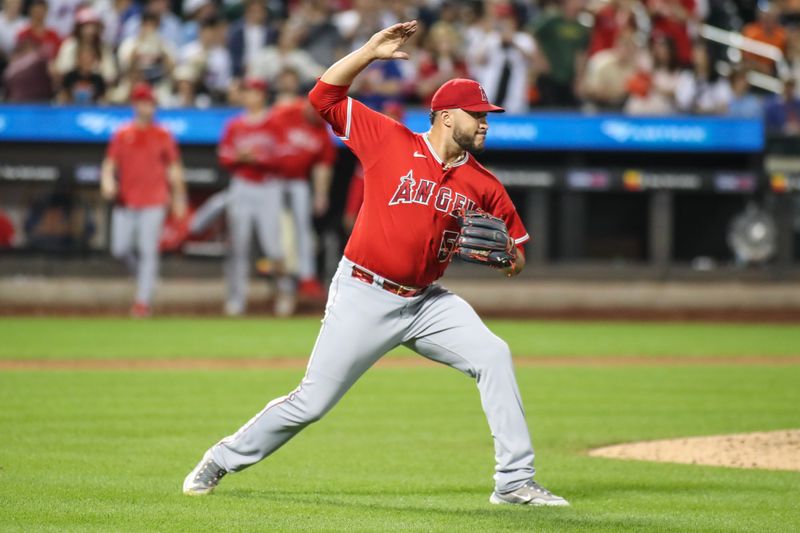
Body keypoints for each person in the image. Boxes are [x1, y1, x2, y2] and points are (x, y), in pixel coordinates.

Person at [184, 21, 569, 507]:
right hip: (364, 293)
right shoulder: (389, 140)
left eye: (487, 115)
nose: (486, 123)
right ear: (446, 117)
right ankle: (221, 459)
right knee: (311, 403)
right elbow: (322, 97)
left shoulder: (485, 184)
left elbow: (517, 254)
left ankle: (514, 482)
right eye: (478, 115)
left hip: (427, 303)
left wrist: (508, 259)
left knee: (494, 356)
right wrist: (368, 52)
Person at [100, 82, 187, 317]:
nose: (146, 107)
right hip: (126, 200)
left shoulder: (163, 134)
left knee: (148, 251)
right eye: (142, 102)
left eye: (149, 103)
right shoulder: (122, 133)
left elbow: (174, 167)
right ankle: (145, 281)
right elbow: (110, 164)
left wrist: (179, 196)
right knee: (120, 248)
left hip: (154, 199)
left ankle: (142, 301)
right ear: (134, 105)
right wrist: (107, 181)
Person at [216, 78, 294, 316]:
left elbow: (284, 157)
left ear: (261, 95)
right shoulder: (235, 124)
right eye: (246, 92)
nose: (249, 96)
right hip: (242, 186)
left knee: (273, 247)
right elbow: (225, 157)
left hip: (269, 187)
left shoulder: (275, 122)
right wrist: (241, 158)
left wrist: (257, 158)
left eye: (253, 92)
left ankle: (284, 292)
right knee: (238, 246)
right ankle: (236, 300)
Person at [262, 96, 337, 301]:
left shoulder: (321, 128)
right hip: (270, 179)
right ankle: (279, 275)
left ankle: (307, 277)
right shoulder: (287, 110)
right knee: (275, 228)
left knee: (303, 228)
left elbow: (323, 166)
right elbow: (263, 127)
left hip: (298, 181)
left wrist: (321, 194)